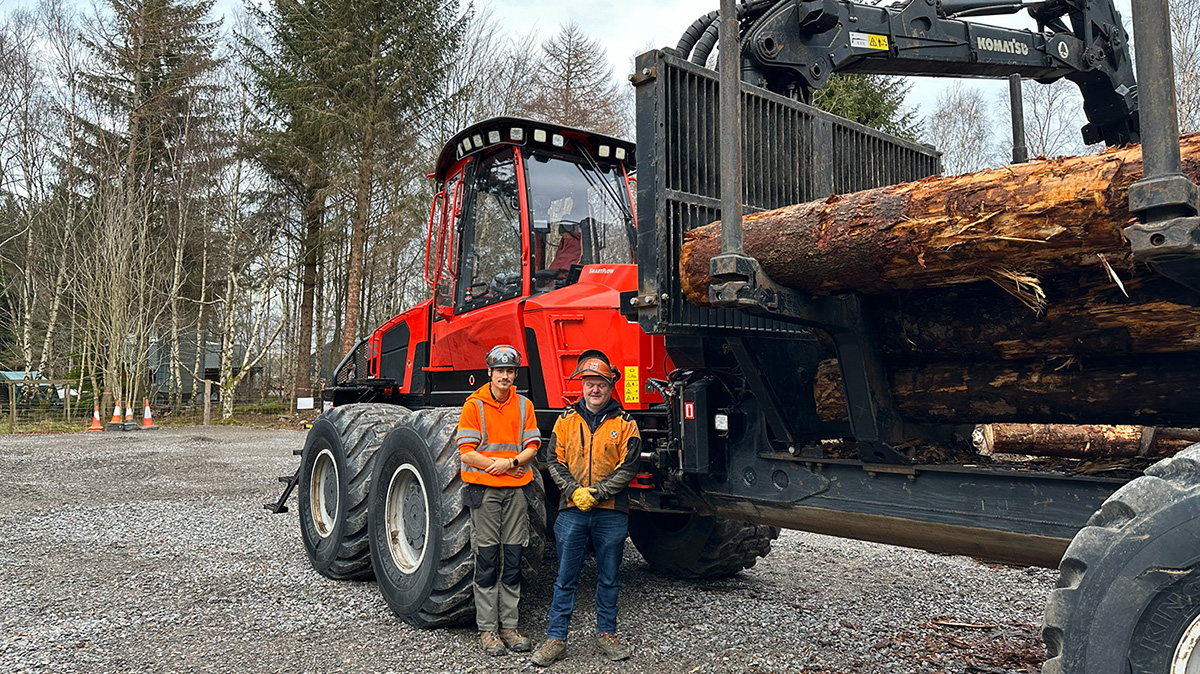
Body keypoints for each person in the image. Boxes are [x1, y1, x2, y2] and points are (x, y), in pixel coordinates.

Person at [531, 350, 641, 666]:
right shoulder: (566, 421)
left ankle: (606, 634)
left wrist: (597, 493)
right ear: (582, 385)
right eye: (590, 383)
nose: (595, 390)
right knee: (565, 577)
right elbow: (555, 460)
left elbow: (628, 466)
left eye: (601, 384)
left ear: (610, 386)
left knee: (609, 577)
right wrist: (573, 491)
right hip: (571, 509)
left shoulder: (626, 424)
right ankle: (556, 638)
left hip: (611, 512)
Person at [457, 344, 541, 656]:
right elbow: (466, 451)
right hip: (486, 491)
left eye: (510, 370)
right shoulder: (473, 405)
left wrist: (512, 464)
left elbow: (532, 445)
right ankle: (488, 630)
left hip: (517, 489)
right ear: (489, 372)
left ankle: (510, 627)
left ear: (515, 373)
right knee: (488, 559)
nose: (505, 376)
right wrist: (496, 466)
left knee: (514, 558)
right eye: (499, 370)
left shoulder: (524, 406)